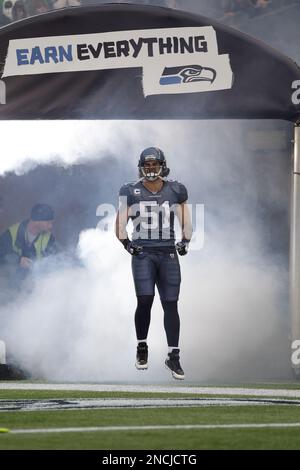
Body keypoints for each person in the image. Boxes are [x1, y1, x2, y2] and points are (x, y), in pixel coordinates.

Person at [115, 147, 192, 380]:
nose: (150, 169)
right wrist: (127, 244)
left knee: (171, 303)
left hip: (167, 251)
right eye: (147, 165)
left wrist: (185, 240)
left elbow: (185, 219)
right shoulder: (130, 190)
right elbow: (120, 223)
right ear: (141, 167)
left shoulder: (176, 189)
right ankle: (142, 347)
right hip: (144, 253)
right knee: (145, 299)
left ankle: (174, 356)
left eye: (154, 165)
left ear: (162, 165)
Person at [0, 203, 57, 282]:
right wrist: (18, 260)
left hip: (36, 283)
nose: (51, 226)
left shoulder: (49, 238)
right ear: (37, 222)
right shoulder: (12, 232)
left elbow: (55, 260)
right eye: (48, 223)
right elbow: (1, 253)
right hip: (9, 281)